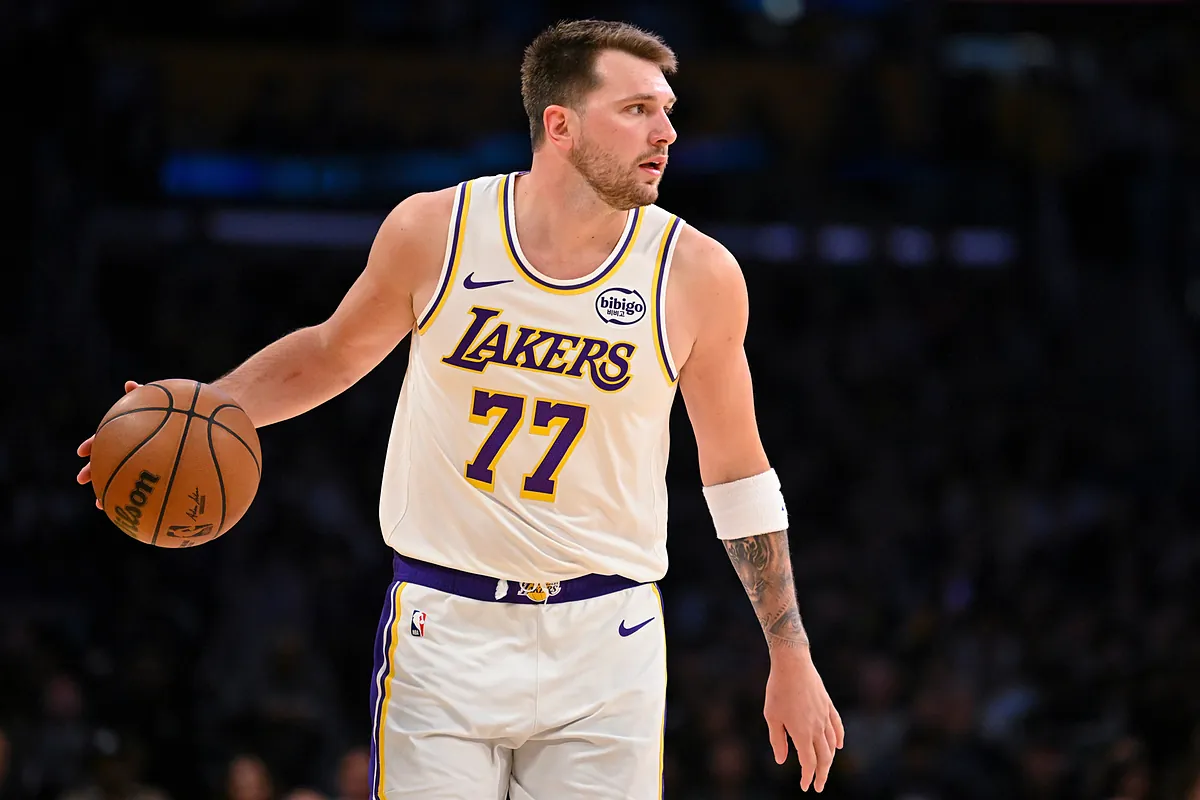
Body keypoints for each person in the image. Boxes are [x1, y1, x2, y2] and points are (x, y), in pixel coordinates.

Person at [76, 18, 844, 799]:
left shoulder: (697, 274)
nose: (667, 132)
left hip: (608, 639)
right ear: (560, 125)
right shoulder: (436, 231)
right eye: (637, 109)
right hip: (445, 625)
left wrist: (790, 652)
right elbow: (334, 351)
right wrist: (204, 408)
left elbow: (737, 472)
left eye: (667, 110)